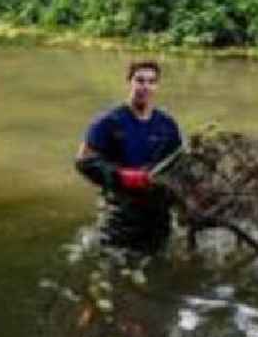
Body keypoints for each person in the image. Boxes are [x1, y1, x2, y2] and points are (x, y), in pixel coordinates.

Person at [75, 60, 183, 254]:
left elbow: (179, 166)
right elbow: (83, 162)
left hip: (158, 211)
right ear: (129, 82)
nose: (145, 87)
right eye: (140, 81)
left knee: (157, 264)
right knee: (116, 264)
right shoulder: (108, 121)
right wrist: (120, 175)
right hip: (120, 211)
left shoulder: (167, 124)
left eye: (151, 82)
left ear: (157, 86)